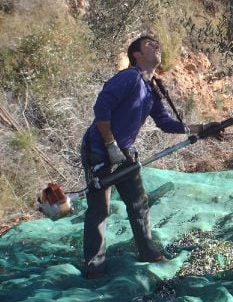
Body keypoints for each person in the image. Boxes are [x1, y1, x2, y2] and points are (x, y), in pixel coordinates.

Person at [80, 34, 220, 279]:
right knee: (99, 209)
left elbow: (166, 123)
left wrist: (201, 128)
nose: (157, 46)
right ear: (136, 54)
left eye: (158, 44)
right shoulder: (129, 77)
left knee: (139, 204)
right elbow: (101, 109)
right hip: (99, 150)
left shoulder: (151, 87)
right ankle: (95, 266)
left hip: (125, 153)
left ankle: (146, 251)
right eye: (149, 44)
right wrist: (110, 145)